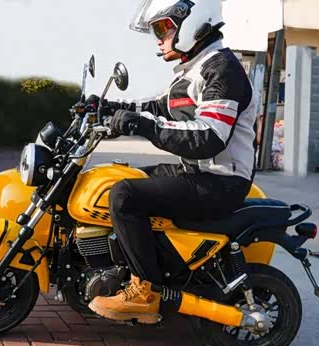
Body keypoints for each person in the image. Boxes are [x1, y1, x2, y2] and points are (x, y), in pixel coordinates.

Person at [87, 0, 258, 324]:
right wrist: (107, 107)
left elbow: (209, 136)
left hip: (220, 181)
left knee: (124, 195)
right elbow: (156, 106)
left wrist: (142, 125)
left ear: (192, 22)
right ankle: (129, 264)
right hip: (197, 172)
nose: (158, 39)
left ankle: (145, 291)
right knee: (117, 177)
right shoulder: (194, 70)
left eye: (163, 28)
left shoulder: (222, 70)